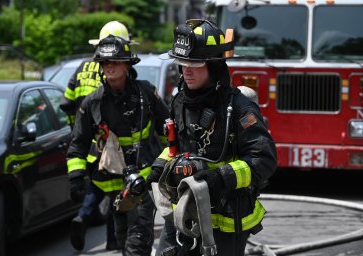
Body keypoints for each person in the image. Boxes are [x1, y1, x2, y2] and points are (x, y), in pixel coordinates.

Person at [146, 19, 277, 256]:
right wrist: (157, 168)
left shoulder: (239, 109)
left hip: (225, 221)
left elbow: (263, 159)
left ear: (214, 66)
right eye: (182, 63)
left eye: (195, 64)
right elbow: (176, 147)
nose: (186, 70)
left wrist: (220, 177)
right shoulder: (180, 102)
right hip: (185, 213)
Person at [66, 34, 169, 255]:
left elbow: (168, 131)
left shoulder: (146, 93)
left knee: (138, 240)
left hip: (145, 177)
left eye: (114, 61)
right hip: (113, 183)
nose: (109, 66)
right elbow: (78, 144)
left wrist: (170, 164)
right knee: (122, 240)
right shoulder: (92, 102)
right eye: (104, 62)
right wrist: (76, 178)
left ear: (127, 64)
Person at [59, 21, 134, 251]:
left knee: (97, 187)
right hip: (111, 143)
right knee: (114, 192)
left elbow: (66, 102)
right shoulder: (118, 81)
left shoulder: (82, 67)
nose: (108, 66)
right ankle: (113, 240)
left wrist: (75, 127)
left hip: (89, 140)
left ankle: (84, 217)